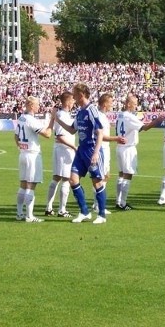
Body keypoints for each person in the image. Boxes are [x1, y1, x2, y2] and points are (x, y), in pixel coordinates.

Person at [53, 83, 116, 224]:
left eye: (75, 94)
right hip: (81, 150)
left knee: (97, 182)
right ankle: (84, 212)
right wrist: (57, 120)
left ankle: (101, 215)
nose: (73, 97)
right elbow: (71, 130)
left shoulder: (91, 110)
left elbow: (99, 132)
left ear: (81, 95)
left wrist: (95, 152)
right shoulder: (80, 111)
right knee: (73, 179)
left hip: (91, 150)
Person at [114, 94, 165, 210]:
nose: (136, 106)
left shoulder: (120, 115)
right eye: (135, 104)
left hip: (120, 147)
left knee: (121, 174)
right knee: (127, 175)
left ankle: (118, 200)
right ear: (128, 104)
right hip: (128, 147)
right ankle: (122, 203)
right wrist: (157, 121)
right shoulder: (129, 116)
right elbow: (145, 128)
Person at [14, 96, 54, 223]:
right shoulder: (31, 120)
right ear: (31, 105)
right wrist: (52, 120)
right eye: (37, 105)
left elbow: (15, 136)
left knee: (23, 184)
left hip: (23, 154)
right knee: (31, 185)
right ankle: (29, 216)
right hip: (32, 154)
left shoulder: (21, 118)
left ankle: (19, 213)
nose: (38, 107)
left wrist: (20, 146)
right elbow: (47, 134)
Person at [45, 92, 76, 218]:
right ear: (68, 102)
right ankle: (62, 210)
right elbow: (60, 137)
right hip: (64, 150)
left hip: (60, 149)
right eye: (72, 100)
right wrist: (74, 147)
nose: (74, 102)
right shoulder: (62, 115)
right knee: (66, 179)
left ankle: (48, 207)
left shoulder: (61, 114)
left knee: (56, 178)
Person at [94, 93, 125, 214]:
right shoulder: (100, 117)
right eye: (110, 102)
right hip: (101, 149)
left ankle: (97, 203)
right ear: (105, 103)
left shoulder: (103, 116)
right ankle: (98, 205)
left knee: (105, 176)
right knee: (102, 177)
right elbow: (100, 136)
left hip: (105, 149)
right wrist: (116, 138)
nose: (112, 104)